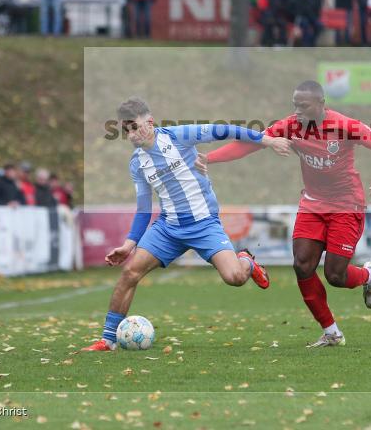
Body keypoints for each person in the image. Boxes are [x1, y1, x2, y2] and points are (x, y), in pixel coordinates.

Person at [199, 81, 371, 347]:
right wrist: (209, 158)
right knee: (302, 265)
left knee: (335, 276)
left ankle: (368, 275)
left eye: (304, 106)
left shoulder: (345, 126)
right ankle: (331, 333)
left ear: (321, 104)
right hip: (313, 204)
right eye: (295, 105)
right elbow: (250, 144)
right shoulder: (291, 126)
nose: (298, 111)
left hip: (346, 205)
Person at [81, 97, 292, 352]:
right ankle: (107, 340)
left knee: (235, 278)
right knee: (129, 273)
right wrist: (129, 245)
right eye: (126, 130)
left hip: (204, 224)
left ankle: (246, 260)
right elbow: (144, 209)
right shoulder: (137, 163)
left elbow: (224, 129)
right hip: (168, 229)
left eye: (135, 127)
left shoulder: (179, 136)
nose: (132, 134)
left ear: (150, 122)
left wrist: (267, 140)